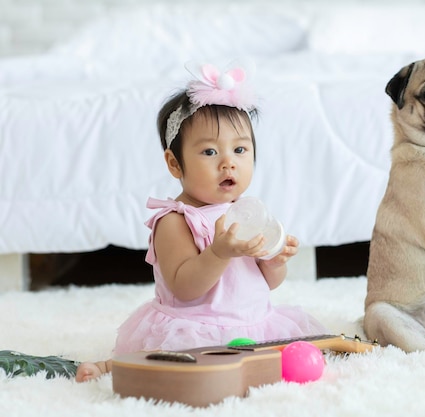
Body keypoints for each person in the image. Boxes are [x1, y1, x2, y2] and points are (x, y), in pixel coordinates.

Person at [76, 62, 327, 382]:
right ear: (174, 163)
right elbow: (184, 288)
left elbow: (266, 283)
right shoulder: (175, 221)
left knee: (285, 356)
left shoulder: (244, 212)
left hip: (253, 324)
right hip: (194, 329)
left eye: (239, 149)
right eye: (209, 152)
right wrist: (219, 253)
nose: (228, 163)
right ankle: (109, 367)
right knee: (170, 363)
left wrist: (274, 262)